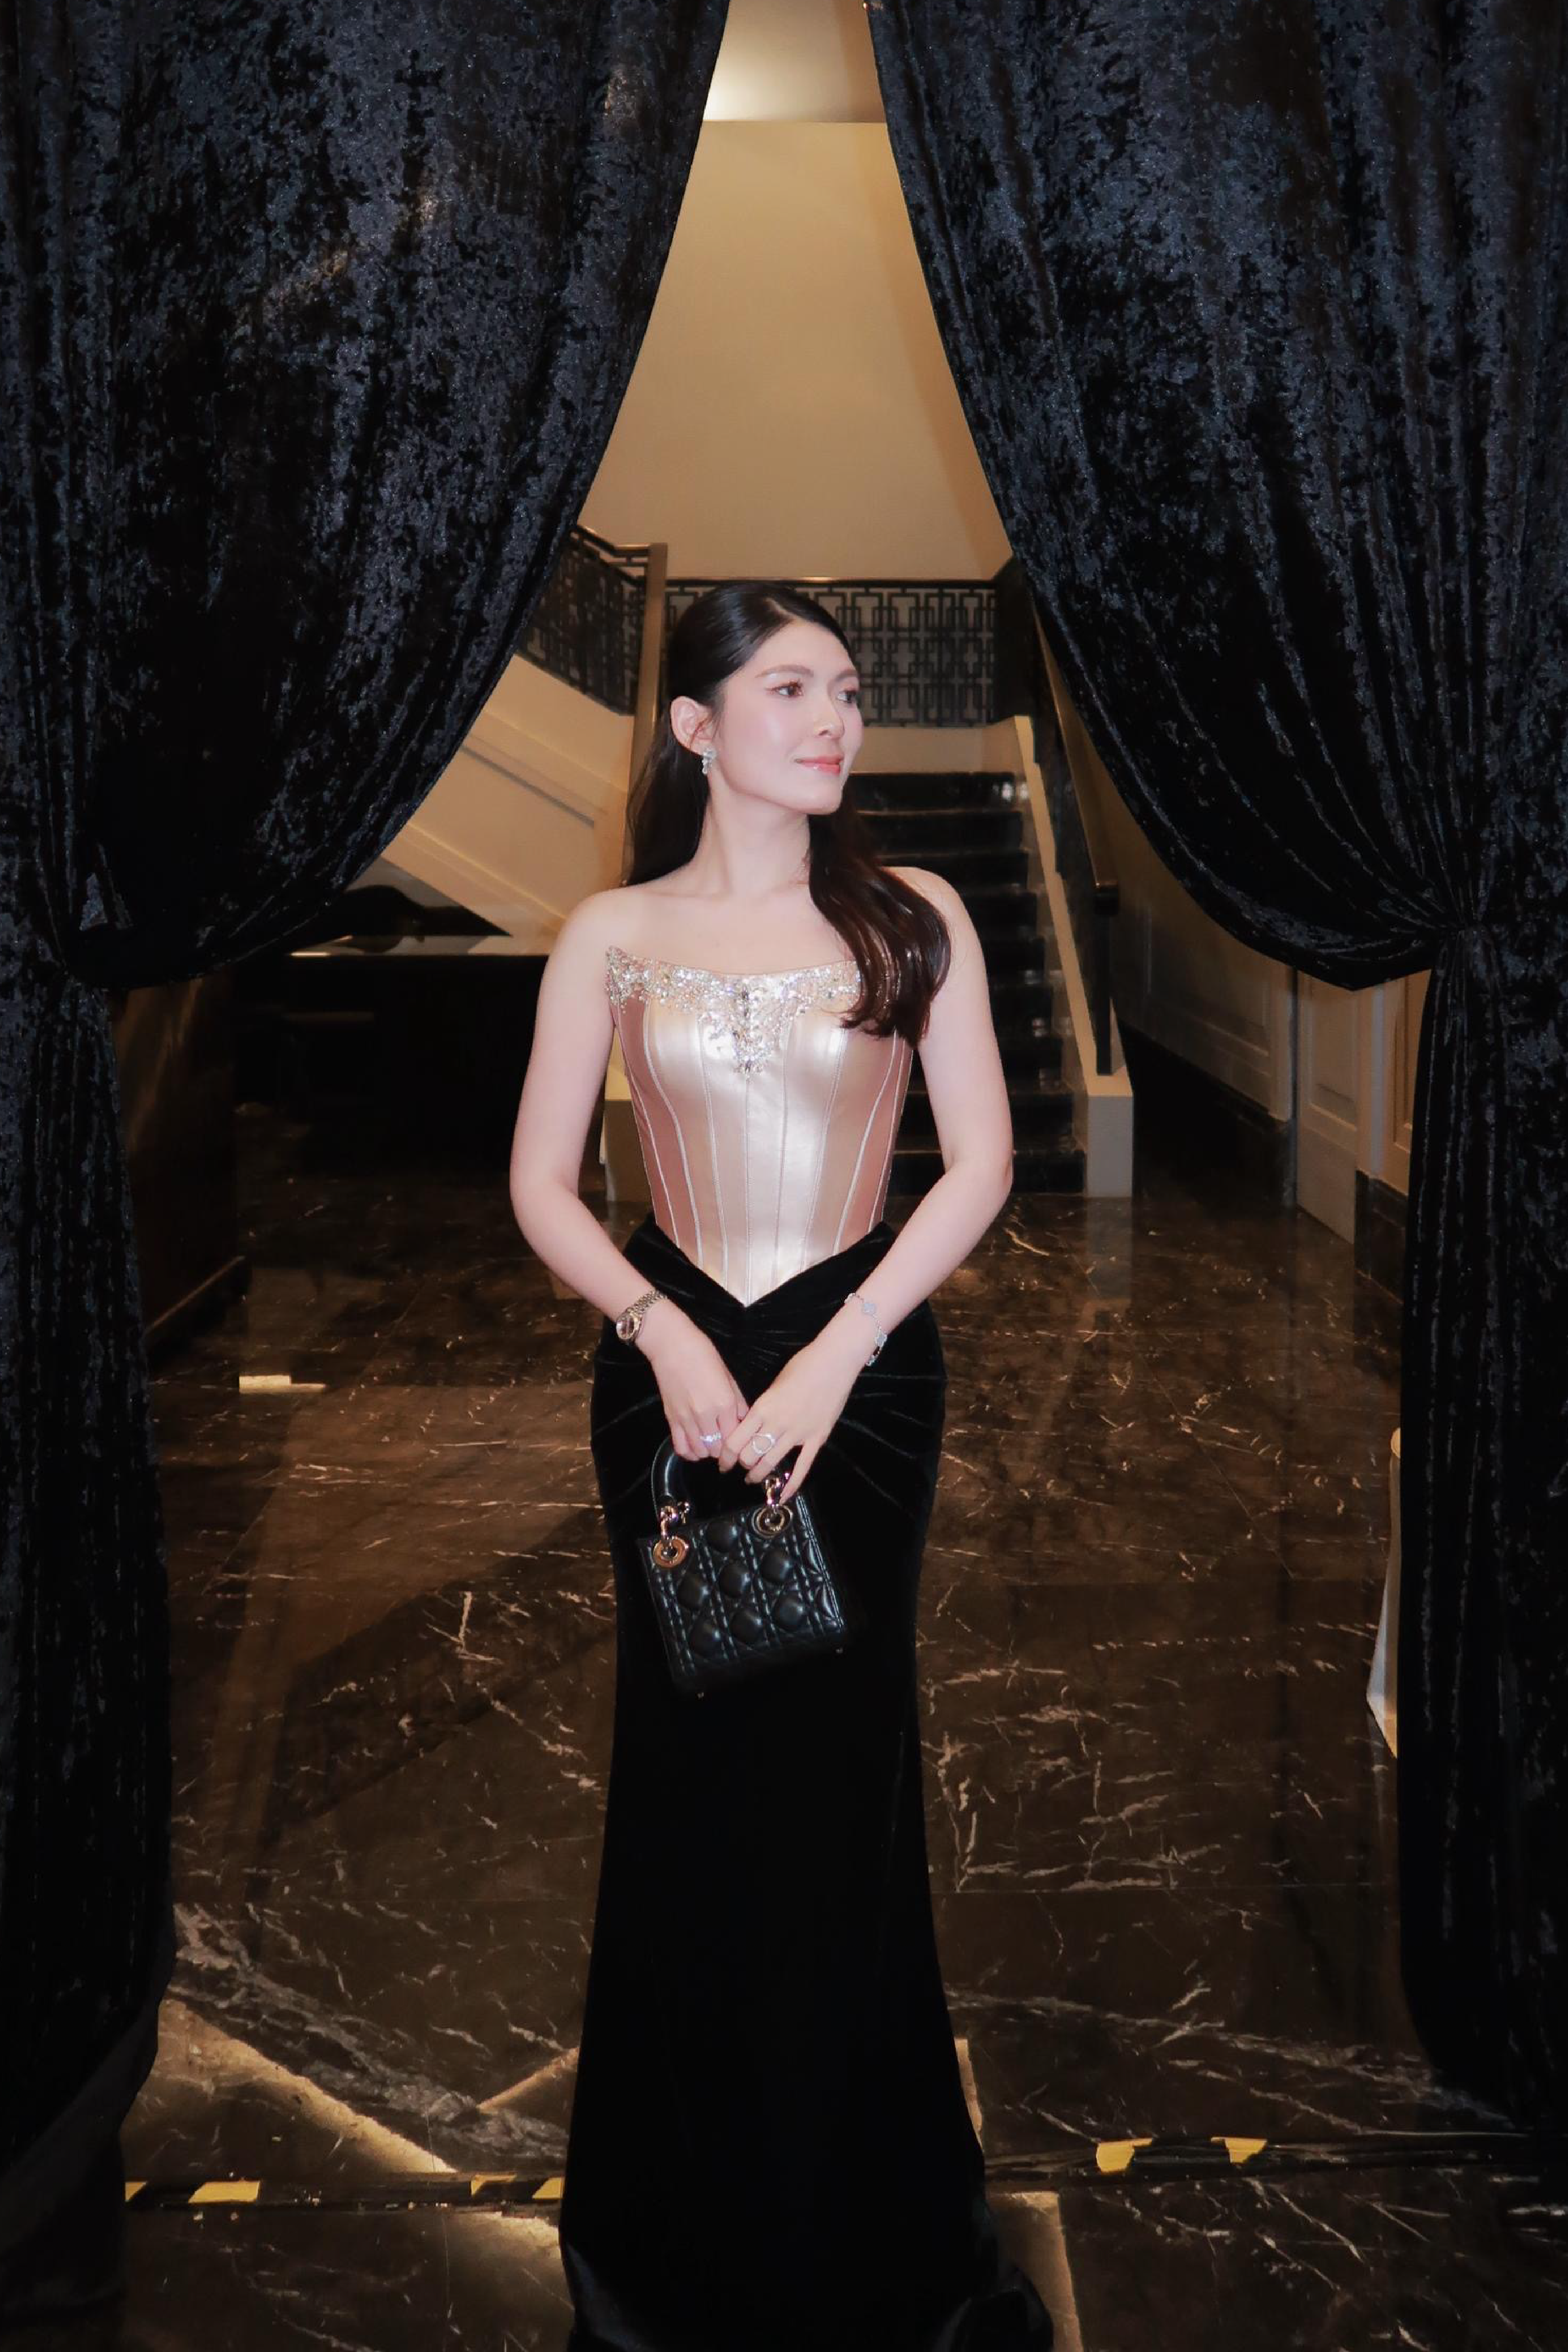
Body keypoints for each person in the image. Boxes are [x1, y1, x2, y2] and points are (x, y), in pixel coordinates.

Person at [508, 582, 1053, 2352]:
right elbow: (537, 1188)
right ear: (697, 726)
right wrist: (656, 1330)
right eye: (792, 688)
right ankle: (671, 2243)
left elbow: (978, 1166)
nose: (835, 720)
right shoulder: (610, 931)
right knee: (686, 1775)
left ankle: (861, 2227)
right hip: (662, 1373)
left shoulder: (913, 915)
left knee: (838, 1781)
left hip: (861, 1375)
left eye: (847, 691)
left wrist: (840, 1347)